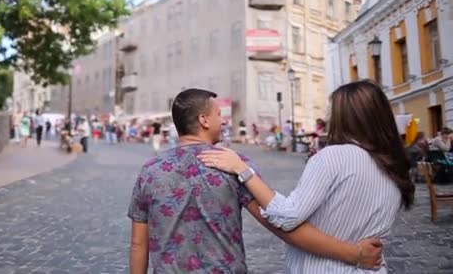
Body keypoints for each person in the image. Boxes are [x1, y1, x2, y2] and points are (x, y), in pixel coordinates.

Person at [128, 88, 382, 274]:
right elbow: (281, 225)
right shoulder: (233, 163)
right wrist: (354, 253)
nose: (224, 120)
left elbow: (139, 243)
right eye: (218, 114)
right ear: (204, 121)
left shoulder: (149, 170)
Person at [199, 80, 414, 273]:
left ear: (344, 116)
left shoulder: (334, 156)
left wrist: (242, 169)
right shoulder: (394, 165)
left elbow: (287, 216)